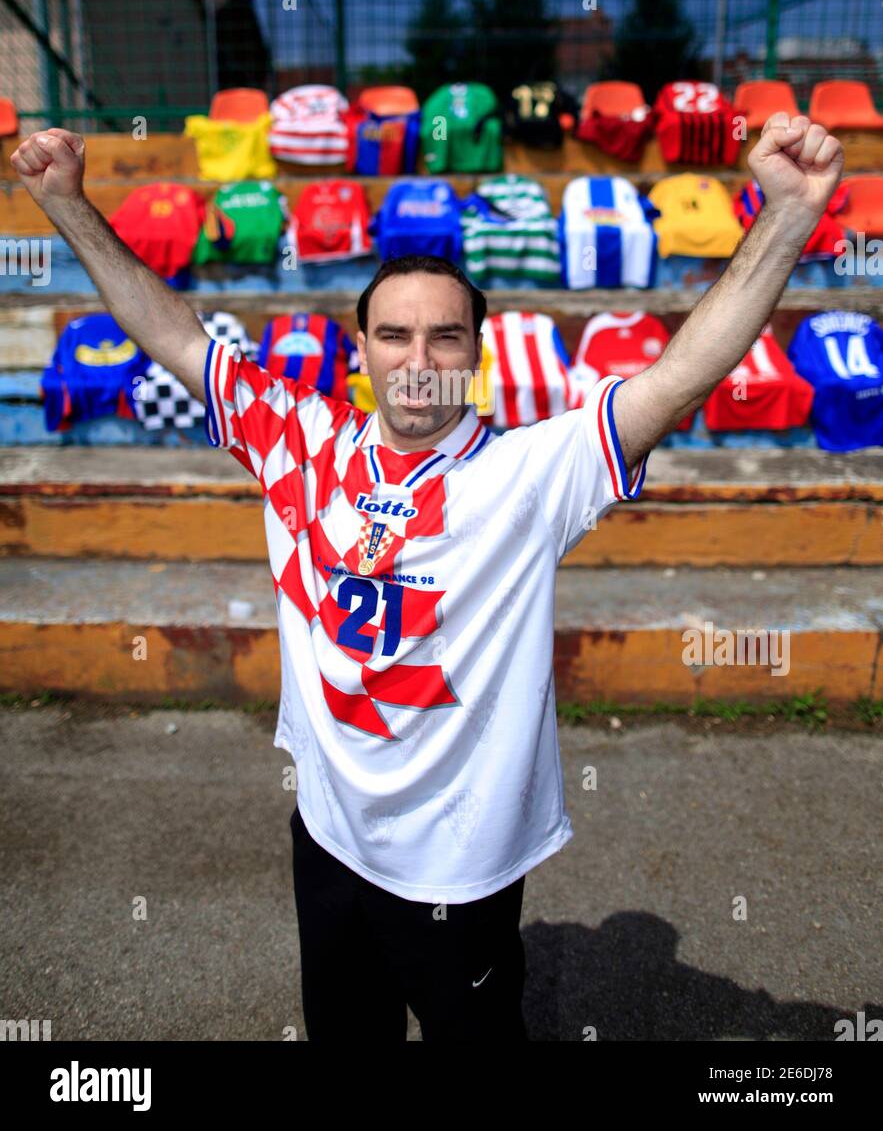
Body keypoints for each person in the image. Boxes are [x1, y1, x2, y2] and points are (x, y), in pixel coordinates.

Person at [11, 114, 843, 1041]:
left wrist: (788, 215)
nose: (418, 362)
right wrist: (67, 204)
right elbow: (169, 328)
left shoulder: (525, 476)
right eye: (394, 336)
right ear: (359, 349)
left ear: (474, 355)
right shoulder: (300, 435)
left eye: (445, 338)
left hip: (460, 869)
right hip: (325, 839)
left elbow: (681, 376)